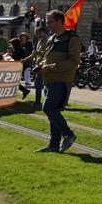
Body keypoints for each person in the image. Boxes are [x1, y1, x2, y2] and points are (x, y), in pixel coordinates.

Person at [34, 11, 81, 153]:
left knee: (47, 108)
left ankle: (68, 134)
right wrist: (41, 66)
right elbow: (47, 57)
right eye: (47, 22)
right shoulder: (51, 38)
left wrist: (52, 68)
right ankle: (53, 145)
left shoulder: (72, 38)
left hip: (61, 80)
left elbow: (74, 61)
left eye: (50, 22)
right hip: (48, 79)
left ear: (60, 21)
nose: (48, 25)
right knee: (52, 112)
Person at [22, 26, 48, 106]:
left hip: (44, 65)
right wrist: (25, 59)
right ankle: (38, 101)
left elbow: (47, 53)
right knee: (38, 84)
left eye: (37, 32)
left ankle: (45, 102)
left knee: (44, 85)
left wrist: (38, 52)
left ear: (42, 32)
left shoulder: (48, 41)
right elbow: (34, 54)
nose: (36, 34)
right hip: (38, 65)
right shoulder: (39, 41)